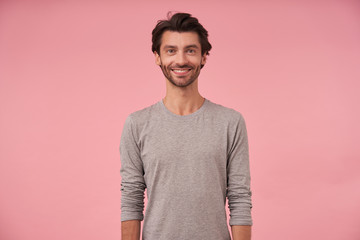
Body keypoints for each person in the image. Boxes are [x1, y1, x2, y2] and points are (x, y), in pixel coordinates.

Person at [120, 12, 253, 240]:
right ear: (157, 57)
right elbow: (131, 198)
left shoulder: (231, 122)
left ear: (203, 57)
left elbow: (240, 198)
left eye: (190, 50)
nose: (181, 60)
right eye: (171, 50)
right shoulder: (137, 124)